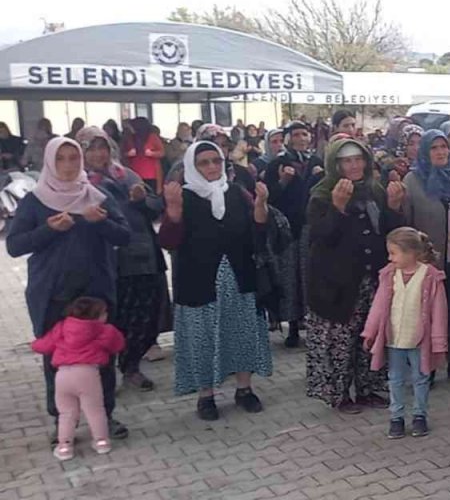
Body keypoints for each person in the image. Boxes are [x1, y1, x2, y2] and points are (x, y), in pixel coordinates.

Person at [7, 137, 131, 443]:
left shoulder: (95, 196)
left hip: (95, 292)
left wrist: (99, 223)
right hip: (52, 293)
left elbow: (125, 236)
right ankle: (62, 419)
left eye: (73, 158)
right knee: (57, 359)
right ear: (50, 162)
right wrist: (49, 229)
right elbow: (14, 245)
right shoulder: (35, 200)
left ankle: (105, 414)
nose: (67, 165)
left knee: (100, 356)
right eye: (60, 159)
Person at [159, 141, 273, 420]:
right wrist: (173, 211)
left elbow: (258, 229)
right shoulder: (183, 196)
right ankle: (205, 395)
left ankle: (244, 389)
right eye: (204, 162)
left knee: (242, 332)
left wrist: (261, 205)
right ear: (191, 167)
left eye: (216, 161)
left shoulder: (235, 192)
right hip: (199, 282)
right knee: (202, 338)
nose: (212, 167)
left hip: (238, 278)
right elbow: (168, 241)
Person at [306, 138, 406, 414]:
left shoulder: (373, 190)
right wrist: (337, 208)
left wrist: (394, 207)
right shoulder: (322, 194)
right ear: (335, 165)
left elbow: (389, 232)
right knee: (340, 340)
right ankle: (340, 395)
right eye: (347, 161)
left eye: (358, 159)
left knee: (369, 337)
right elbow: (319, 237)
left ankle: (367, 389)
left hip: (371, 279)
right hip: (338, 284)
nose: (354, 166)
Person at [77, 126, 169, 392]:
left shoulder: (126, 174)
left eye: (102, 147)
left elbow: (155, 209)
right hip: (109, 263)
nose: (98, 153)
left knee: (146, 318)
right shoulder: (79, 183)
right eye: (91, 148)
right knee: (112, 320)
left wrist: (142, 200)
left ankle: (132, 366)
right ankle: (106, 374)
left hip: (144, 257)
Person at [403, 130, 450, 383]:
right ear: (425, 151)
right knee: (430, 315)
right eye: (434, 148)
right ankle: (429, 367)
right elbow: (406, 221)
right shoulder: (413, 181)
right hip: (431, 262)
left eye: (443, 147)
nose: (440, 152)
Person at [361, 227, 448, 439]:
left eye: (393, 253)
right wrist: (370, 332)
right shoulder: (388, 275)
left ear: (411, 253)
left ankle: (419, 415)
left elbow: (439, 311)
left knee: (421, 377)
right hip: (394, 338)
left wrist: (439, 341)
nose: (390, 258)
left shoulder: (430, 277)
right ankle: (396, 416)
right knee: (395, 378)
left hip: (420, 340)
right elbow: (379, 306)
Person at [32, 297, 125, 460]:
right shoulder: (104, 330)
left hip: (62, 375)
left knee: (66, 413)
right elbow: (118, 345)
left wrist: (34, 344)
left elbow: (42, 346)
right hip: (87, 373)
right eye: (104, 313)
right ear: (98, 316)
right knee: (95, 410)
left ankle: (64, 447)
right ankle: (101, 442)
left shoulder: (61, 327)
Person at [265, 121, 325, 347]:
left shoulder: (316, 163)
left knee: (309, 277)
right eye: (296, 134)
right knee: (289, 278)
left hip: (311, 228)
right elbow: (269, 198)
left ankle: (312, 323)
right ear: (288, 138)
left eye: (304, 134)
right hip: (287, 230)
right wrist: (283, 181)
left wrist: (317, 178)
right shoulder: (277, 164)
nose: (301, 138)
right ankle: (291, 326)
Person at [121, 117, 165, 192]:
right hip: (135, 172)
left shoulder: (152, 137)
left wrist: (152, 153)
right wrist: (128, 154)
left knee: (151, 193)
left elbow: (162, 152)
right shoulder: (129, 138)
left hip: (151, 174)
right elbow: (121, 154)